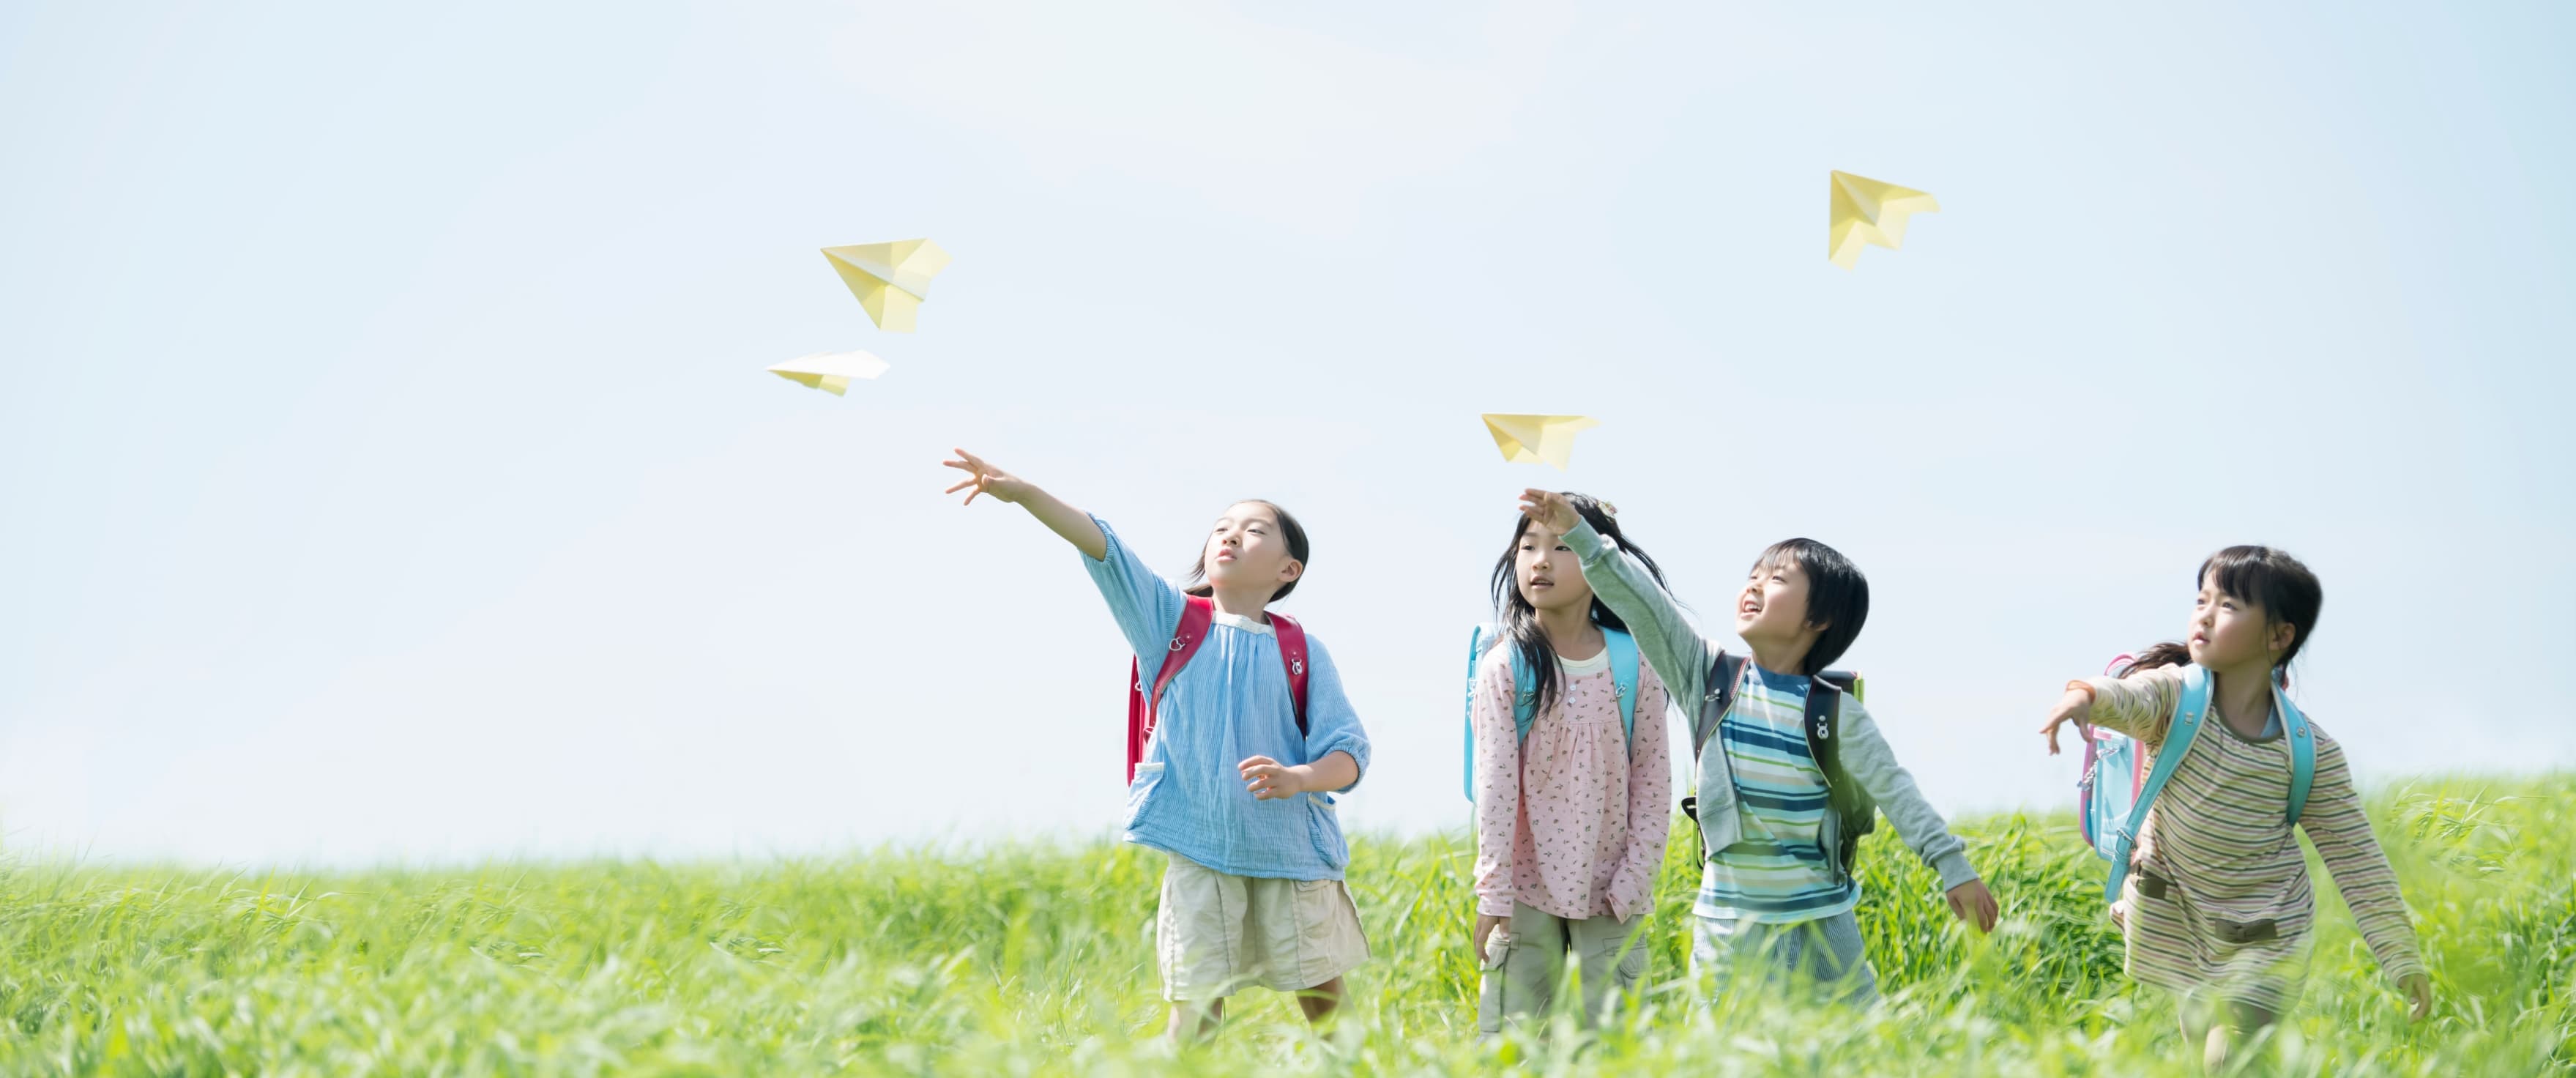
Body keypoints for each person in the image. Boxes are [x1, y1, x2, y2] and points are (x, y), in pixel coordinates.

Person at [942, 449, 1371, 1039]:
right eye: (1222, 527)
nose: (1230, 536)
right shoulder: (1171, 623)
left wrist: (1300, 779)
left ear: (1288, 570)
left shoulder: (1303, 650)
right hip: (1198, 848)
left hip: (1291, 856)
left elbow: (1348, 754)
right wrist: (1026, 494)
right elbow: (1106, 551)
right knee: (1196, 1013)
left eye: (1254, 530)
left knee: (1327, 1008)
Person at [2041, 546, 2432, 1069]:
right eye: (2201, 599)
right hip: (2182, 919)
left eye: (2228, 605)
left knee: (2228, 1058)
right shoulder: (2176, 700)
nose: (2204, 614)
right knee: (2203, 1051)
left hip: (2268, 932)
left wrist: (2401, 956)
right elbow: (2131, 696)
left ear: (2279, 636)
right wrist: (2085, 696)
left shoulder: (2307, 751)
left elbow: (2356, 858)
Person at [1468, 494, 1672, 1036]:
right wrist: (1494, 894)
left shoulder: (1635, 662)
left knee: (1614, 1053)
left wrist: (1632, 883)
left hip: (1612, 898)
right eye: (1528, 546)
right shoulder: (1505, 665)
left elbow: (1653, 785)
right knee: (1513, 1049)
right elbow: (1494, 790)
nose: (1540, 561)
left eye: (1561, 546)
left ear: (1598, 558)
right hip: (1523, 896)